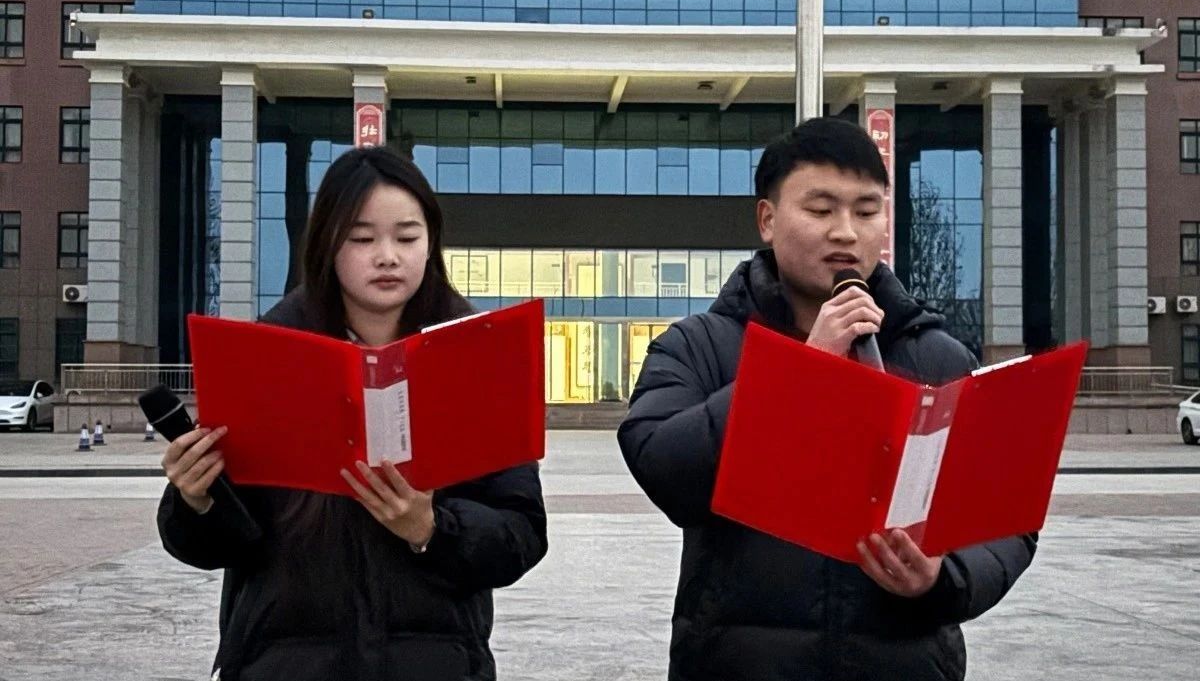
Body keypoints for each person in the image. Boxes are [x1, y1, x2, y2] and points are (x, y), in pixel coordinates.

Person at [618, 117, 1036, 681]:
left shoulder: (938, 358)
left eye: (866, 211)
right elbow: (664, 468)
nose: (846, 233)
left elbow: (1006, 521)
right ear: (768, 219)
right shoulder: (700, 346)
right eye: (820, 210)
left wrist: (945, 577)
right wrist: (800, 374)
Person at [157, 146, 548, 681]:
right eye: (362, 239)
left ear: (431, 243)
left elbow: (522, 534)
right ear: (327, 245)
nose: (387, 256)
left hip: (434, 665)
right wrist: (196, 499)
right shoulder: (267, 361)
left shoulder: (478, 359)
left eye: (407, 237)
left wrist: (432, 529)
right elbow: (214, 546)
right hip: (284, 665)